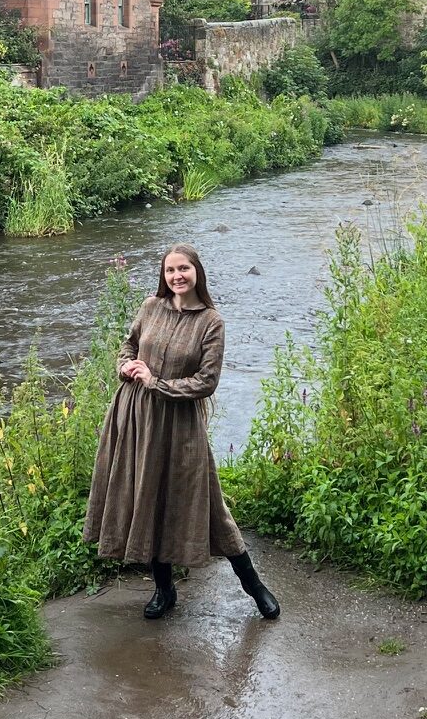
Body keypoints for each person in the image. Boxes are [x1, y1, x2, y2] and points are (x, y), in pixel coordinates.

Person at [84, 246, 281, 622]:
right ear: (164, 275)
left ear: (196, 272)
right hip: (135, 416)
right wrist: (125, 365)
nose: (177, 276)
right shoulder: (150, 307)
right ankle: (164, 589)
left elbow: (206, 382)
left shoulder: (211, 322)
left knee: (207, 504)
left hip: (180, 424)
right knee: (148, 495)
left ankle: (254, 586)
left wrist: (157, 383)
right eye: (170, 270)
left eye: (184, 269)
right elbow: (128, 343)